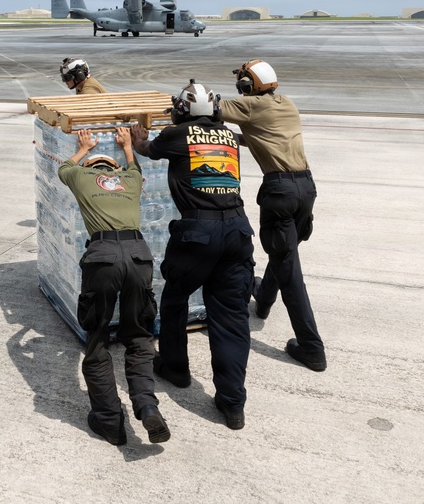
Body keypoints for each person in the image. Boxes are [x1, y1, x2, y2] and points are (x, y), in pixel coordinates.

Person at [131, 80, 255, 431]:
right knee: (231, 317)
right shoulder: (229, 136)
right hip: (238, 231)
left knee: (175, 298)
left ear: (181, 111)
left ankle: (176, 368)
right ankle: (232, 405)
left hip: (198, 232)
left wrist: (136, 134)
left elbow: (145, 148)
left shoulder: (176, 134)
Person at [58, 127, 169, 446]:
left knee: (97, 338)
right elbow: (135, 166)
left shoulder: (81, 178)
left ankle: (110, 421)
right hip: (138, 255)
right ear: (115, 169)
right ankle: (147, 406)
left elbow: (64, 167)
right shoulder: (130, 180)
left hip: (103, 257)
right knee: (139, 336)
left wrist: (83, 147)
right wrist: (126, 145)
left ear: (91, 169)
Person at [220, 59, 326, 372]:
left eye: (241, 82)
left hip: (279, 190)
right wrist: (235, 137)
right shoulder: (286, 104)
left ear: (247, 85)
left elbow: (207, 106)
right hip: (305, 187)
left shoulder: (248, 105)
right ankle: (264, 300)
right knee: (285, 253)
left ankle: (311, 348)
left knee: (290, 270)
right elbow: (262, 135)